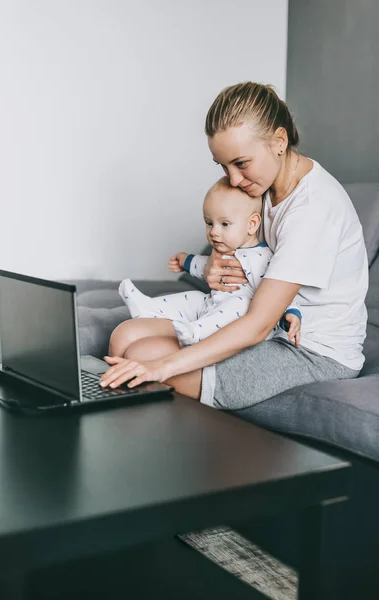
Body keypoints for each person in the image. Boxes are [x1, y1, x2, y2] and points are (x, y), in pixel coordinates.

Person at [100, 81, 368, 411]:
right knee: (126, 335)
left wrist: (163, 367)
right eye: (223, 166)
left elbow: (258, 324)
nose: (234, 179)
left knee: (145, 357)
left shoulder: (312, 209)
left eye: (241, 163)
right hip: (259, 323)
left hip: (310, 349)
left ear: (279, 142)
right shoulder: (263, 184)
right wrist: (216, 264)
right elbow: (239, 248)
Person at [118, 176, 301, 348]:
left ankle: (196, 332)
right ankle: (148, 307)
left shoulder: (261, 257)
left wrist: (292, 313)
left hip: (241, 317)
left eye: (224, 224)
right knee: (192, 298)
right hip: (213, 303)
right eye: (209, 223)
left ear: (252, 224)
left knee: (240, 304)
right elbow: (205, 266)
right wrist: (186, 261)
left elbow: (282, 291)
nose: (214, 232)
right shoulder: (224, 251)